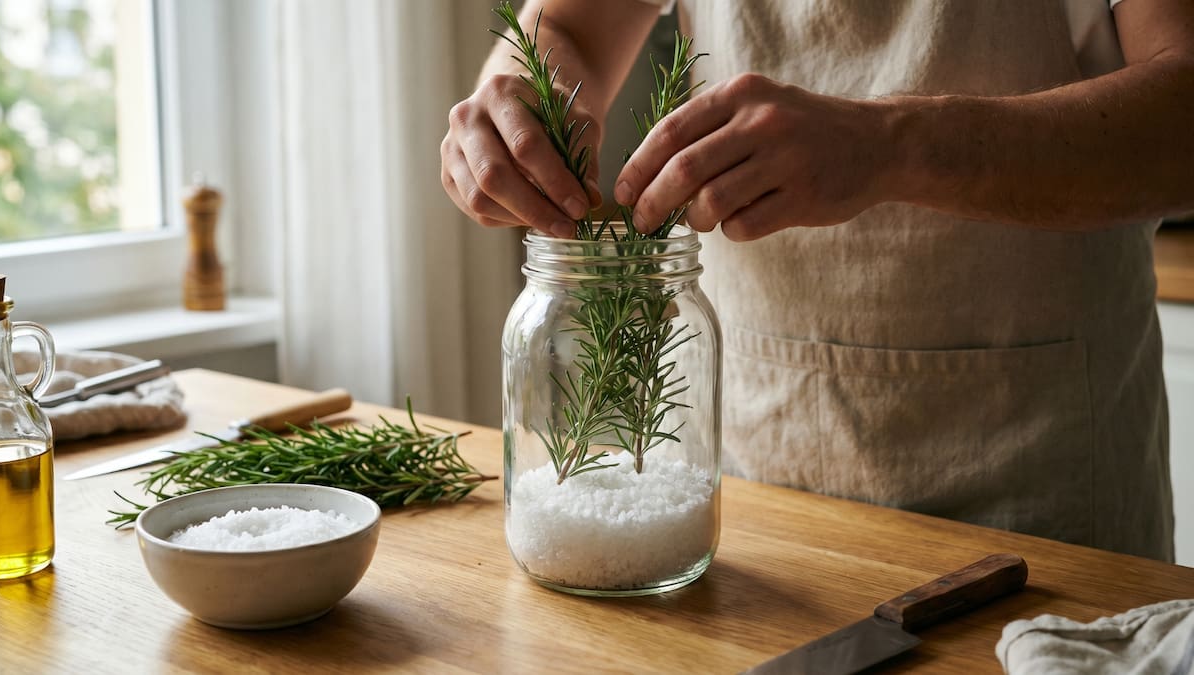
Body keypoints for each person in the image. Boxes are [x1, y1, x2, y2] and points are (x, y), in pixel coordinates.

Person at [440, 0, 1194, 562]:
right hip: (755, 514)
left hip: (1039, 517)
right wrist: (517, 92)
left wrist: (889, 145)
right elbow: (566, 27)